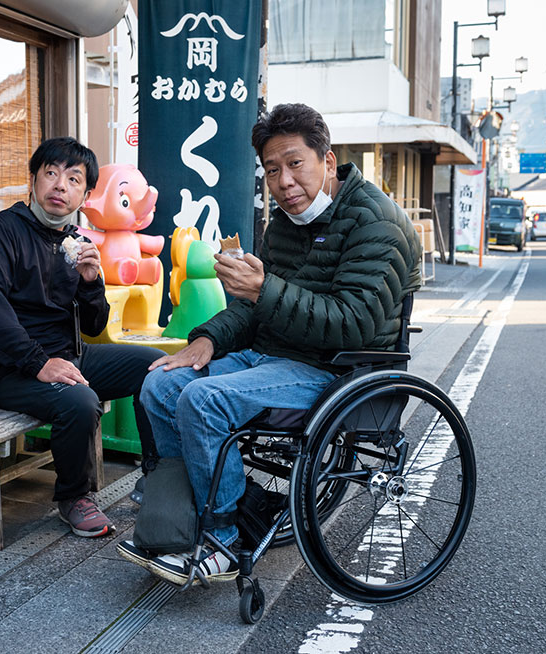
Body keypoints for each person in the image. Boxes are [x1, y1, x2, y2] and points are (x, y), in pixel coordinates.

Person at [117, 103, 423, 583]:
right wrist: (208, 339)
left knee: (203, 399)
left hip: (336, 368)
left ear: (327, 159)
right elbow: (254, 305)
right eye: (272, 170)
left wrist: (264, 290)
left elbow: (354, 324)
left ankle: (222, 537)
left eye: (295, 163)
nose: (284, 182)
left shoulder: (376, 222)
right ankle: (180, 520)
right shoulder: (284, 222)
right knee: (161, 385)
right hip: (271, 357)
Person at [0, 136, 162, 538]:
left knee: (157, 368)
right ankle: (74, 497)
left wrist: (91, 282)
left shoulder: (78, 241)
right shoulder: (0, 232)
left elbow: (94, 325)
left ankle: (159, 478)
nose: (60, 185)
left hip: (69, 356)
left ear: (85, 195)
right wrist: (39, 363)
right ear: (33, 180)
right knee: (80, 401)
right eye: (51, 173)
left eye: (74, 179)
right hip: (9, 370)